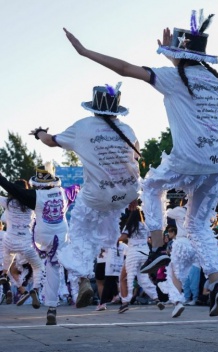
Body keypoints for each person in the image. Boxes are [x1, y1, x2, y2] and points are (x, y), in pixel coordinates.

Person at [63, 10, 218, 317]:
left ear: (177, 55)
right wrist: (173, 54)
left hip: (189, 158)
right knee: (197, 225)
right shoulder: (211, 77)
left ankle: (156, 249)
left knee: (152, 186)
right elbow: (186, 71)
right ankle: (217, 283)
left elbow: (127, 68)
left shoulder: (172, 77)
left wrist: (85, 52)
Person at [30, 84, 141, 309]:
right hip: (125, 192)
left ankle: (83, 281)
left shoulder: (83, 127)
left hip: (97, 195)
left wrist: (39, 133)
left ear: (94, 106)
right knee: (104, 234)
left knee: (79, 236)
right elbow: (135, 159)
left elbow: (51, 141)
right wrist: (132, 197)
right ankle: (103, 264)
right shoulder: (128, 129)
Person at [0, 163, 79, 325]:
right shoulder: (64, 193)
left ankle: (8, 280)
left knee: (33, 264)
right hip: (58, 237)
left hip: (35, 239)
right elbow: (76, 188)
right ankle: (46, 298)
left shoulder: (34, 197)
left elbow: (11, 189)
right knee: (48, 268)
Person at [0, 179, 44, 308]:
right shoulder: (32, 206)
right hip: (26, 243)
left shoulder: (6, 202)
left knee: (8, 254)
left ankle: (3, 274)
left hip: (9, 241)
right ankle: (35, 289)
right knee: (38, 266)